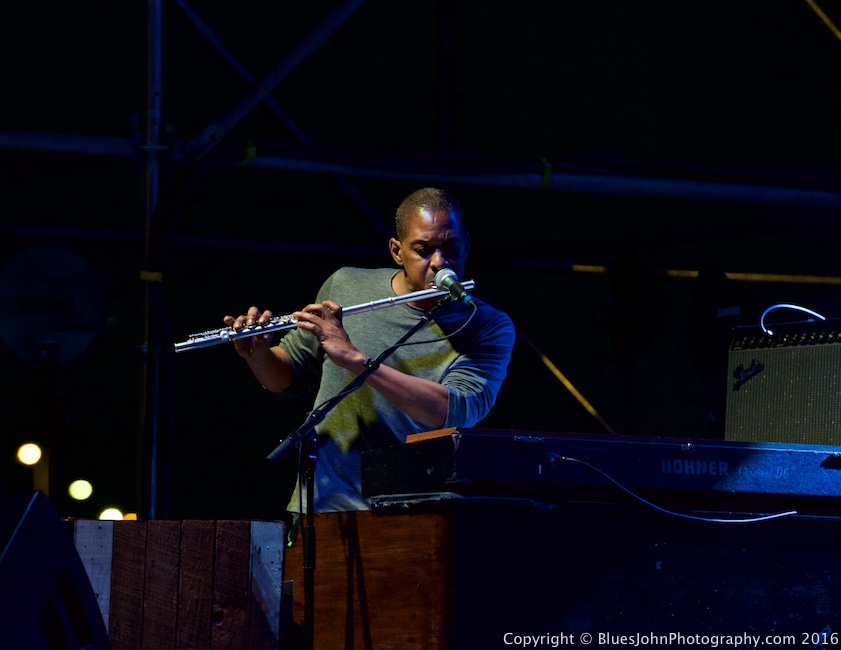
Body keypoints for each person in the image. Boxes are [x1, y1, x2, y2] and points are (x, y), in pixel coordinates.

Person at [224, 187, 516, 512]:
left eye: (451, 248)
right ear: (397, 251)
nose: (439, 263)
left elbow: (454, 411)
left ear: (467, 246)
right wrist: (258, 354)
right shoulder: (346, 285)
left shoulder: (488, 325)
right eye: (423, 250)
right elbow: (286, 377)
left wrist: (355, 360)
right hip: (323, 506)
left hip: (412, 513)